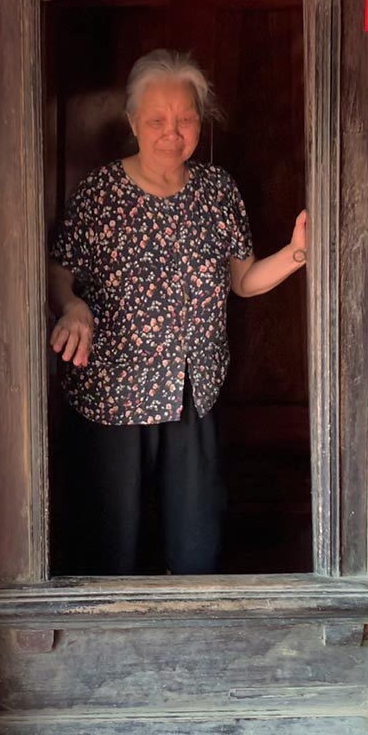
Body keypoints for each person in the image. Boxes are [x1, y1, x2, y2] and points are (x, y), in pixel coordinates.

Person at [49, 49, 307, 575]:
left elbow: (243, 279)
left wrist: (298, 252)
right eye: (158, 119)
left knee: (197, 543)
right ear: (132, 122)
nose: (173, 131)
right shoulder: (99, 194)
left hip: (193, 388)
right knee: (111, 544)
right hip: (113, 391)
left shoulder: (217, 191)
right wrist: (71, 306)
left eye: (185, 118)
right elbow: (59, 270)